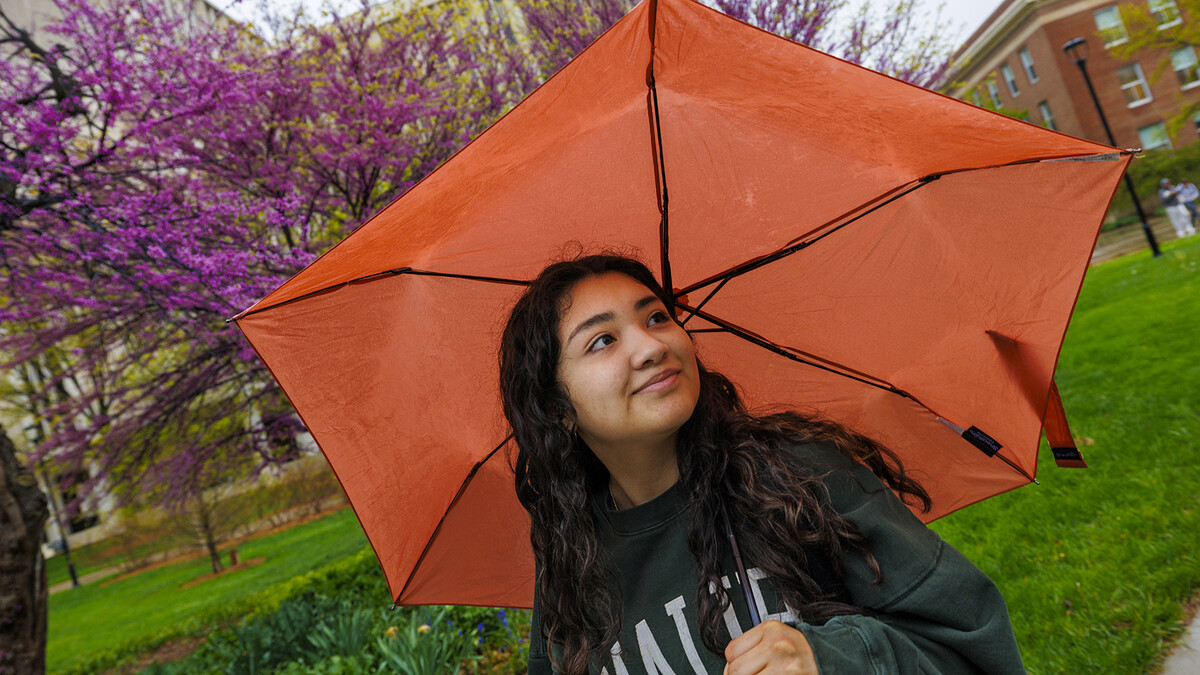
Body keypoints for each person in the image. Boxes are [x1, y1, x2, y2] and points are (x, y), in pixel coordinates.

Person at [499, 253, 1025, 675]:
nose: (651, 345)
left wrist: (828, 659)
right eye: (603, 340)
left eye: (657, 316)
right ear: (557, 410)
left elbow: (975, 651)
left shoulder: (802, 477)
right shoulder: (572, 563)